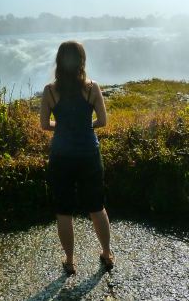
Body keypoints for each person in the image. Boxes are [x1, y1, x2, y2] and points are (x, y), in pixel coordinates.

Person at [40, 40, 115, 276]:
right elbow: (102, 122)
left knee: (64, 211)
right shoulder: (92, 88)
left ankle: (70, 261)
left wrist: (62, 127)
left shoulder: (50, 91)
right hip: (88, 156)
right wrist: (85, 126)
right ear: (82, 60)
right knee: (96, 207)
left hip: (61, 157)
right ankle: (106, 253)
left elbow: (44, 124)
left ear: (59, 61)